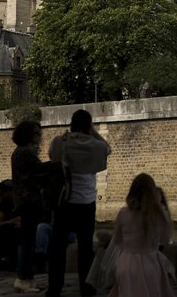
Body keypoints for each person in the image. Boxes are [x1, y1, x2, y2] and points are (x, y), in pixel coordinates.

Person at [46, 109, 111, 297]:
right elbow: (107, 148)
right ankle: (86, 286)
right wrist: (94, 131)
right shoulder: (95, 146)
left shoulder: (61, 143)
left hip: (64, 201)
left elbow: (52, 155)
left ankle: (55, 287)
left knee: (58, 247)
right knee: (85, 247)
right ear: (88, 126)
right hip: (87, 202)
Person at [108, 173, 173, 297]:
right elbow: (165, 240)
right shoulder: (160, 214)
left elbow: (117, 240)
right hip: (152, 263)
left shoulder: (123, 213)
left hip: (126, 264)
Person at [11, 120, 55, 293]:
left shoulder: (20, 152)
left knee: (28, 241)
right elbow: (38, 171)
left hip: (25, 201)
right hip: (29, 201)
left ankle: (28, 279)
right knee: (27, 241)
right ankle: (22, 277)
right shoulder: (25, 153)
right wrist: (56, 164)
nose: (39, 136)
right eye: (37, 133)